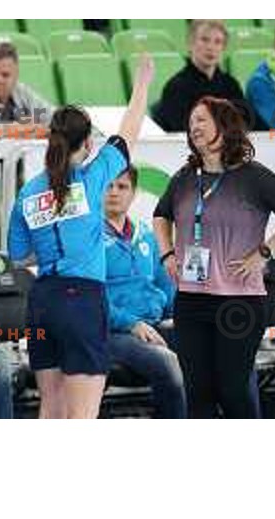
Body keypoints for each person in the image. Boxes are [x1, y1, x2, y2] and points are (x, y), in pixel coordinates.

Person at [7, 54, 154, 419]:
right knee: (82, 416)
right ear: (88, 143)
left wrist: (55, 248)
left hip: (41, 300)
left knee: (51, 409)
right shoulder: (91, 180)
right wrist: (142, 85)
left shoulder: (27, 193)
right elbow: (129, 133)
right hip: (82, 301)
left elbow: (19, 257)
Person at [153, 96, 275, 418]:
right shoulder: (185, 177)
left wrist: (264, 253)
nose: (193, 127)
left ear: (223, 126)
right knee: (197, 394)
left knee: (234, 391)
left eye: (201, 120)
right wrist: (167, 253)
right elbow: (160, 215)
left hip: (238, 302)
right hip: (191, 301)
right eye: (191, 121)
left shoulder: (253, 177)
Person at [103, 167, 186, 419]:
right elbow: (87, 299)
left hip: (153, 325)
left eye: (122, 186)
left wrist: (183, 316)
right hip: (109, 331)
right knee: (168, 364)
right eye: (108, 186)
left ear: (134, 193)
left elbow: (166, 286)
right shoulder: (87, 239)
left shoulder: (147, 235)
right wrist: (130, 323)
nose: (114, 193)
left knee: (212, 346)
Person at [153, 20, 246, 132]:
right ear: (190, 44)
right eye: (204, 40)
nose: (211, 47)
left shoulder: (231, 85)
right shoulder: (176, 87)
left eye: (218, 42)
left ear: (223, 48)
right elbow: (182, 130)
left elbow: (244, 123)